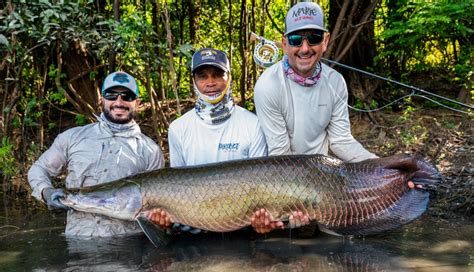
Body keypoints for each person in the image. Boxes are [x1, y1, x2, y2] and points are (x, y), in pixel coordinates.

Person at [252, 2, 418, 233]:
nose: (305, 48)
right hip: (283, 180)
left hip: (324, 179)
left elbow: (341, 141)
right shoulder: (267, 86)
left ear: (326, 41)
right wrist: (300, 199)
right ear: (284, 43)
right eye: (296, 40)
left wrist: (384, 170)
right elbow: (281, 155)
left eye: (314, 38)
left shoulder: (336, 82)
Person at [148, 48, 309, 234]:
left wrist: (266, 219)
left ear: (229, 77)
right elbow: (177, 188)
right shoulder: (178, 128)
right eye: (202, 76)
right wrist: (164, 220)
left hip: (243, 230)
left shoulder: (253, 123)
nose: (211, 83)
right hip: (194, 234)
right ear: (193, 80)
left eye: (218, 75)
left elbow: (262, 185)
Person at [28, 71, 165, 237]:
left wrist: (159, 219)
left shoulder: (151, 151)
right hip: (78, 239)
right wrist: (45, 191)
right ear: (102, 99)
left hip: (128, 244)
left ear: (137, 102)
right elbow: (39, 169)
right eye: (111, 95)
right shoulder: (72, 137)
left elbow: (158, 207)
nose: (119, 102)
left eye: (127, 96)